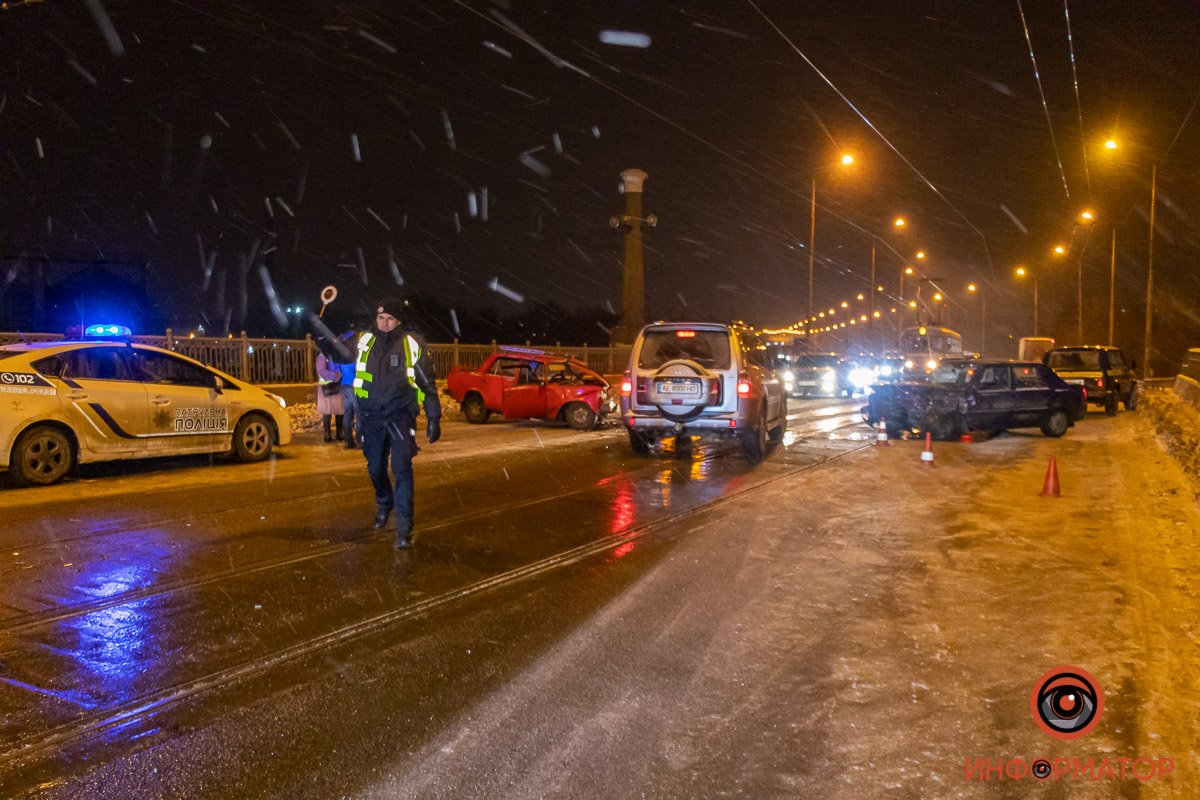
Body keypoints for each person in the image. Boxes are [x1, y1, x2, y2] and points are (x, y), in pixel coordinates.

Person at [353, 297, 441, 548]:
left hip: (400, 416)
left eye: (390, 318)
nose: (384, 323)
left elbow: (427, 383)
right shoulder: (364, 340)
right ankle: (384, 502)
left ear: (399, 320)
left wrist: (434, 417)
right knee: (375, 468)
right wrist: (322, 335)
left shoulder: (411, 343)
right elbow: (338, 352)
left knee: (402, 469)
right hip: (371, 417)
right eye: (381, 318)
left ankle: (404, 527)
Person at [337, 330, 361, 448]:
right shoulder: (354, 354)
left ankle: (348, 440)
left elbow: (337, 369)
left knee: (347, 414)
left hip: (344, 386)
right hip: (354, 386)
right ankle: (360, 439)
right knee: (359, 414)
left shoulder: (341, 354)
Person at [315, 350, 344, 443]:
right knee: (327, 411)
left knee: (339, 410)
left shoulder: (336, 355)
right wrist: (335, 376)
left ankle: (339, 433)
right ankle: (327, 435)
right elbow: (321, 371)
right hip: (327, 387)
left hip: (336, 386)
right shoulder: (322, 356)